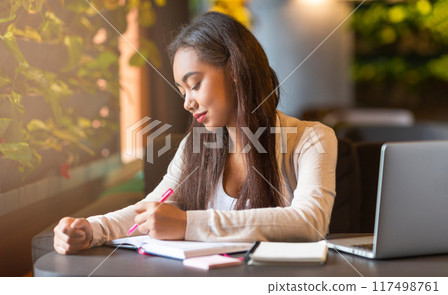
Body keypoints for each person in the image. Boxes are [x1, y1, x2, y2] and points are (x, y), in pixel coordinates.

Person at [53, 11, 337, 255]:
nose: (187, 102)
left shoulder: (312, 139)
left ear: (234, 70)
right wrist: (92, 228)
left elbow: (310, 221)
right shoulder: (196, 143)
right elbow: (152, 207)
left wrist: (188, 225)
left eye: (195, 84)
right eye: (182, 91)